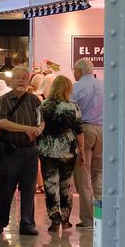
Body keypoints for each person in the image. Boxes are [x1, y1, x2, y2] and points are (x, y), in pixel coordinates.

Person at [0, 65, 43, 236]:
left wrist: (39, 129)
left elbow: (41, 120)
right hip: (10, 151)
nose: (21, 80)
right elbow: (3, 123)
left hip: (30, 152)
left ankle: (27, 224)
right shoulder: (4, 100)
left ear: (29, 80)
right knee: (5, 189)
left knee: (29, 189)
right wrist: (27, 129)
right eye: (17, 77)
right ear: (11, 81)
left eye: (24, 77)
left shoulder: (34, 100)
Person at [38, 75, 84, 232]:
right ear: (68, 89)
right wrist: (82, 152)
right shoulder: (73, 107)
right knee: (66, 185)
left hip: (47, 149)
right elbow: (79, 131)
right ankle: (65, 219)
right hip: (68, 151)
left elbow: (39, 128)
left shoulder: (43, 106)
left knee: (50, 184)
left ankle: (54, 219)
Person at [71, 58, 103, 229]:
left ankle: (88, 220)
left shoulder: (76, 87)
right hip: (103, 131)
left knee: (83, 177)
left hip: (84, 132)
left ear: (79, 70)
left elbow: (71, 112)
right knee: (99, 174)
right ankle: (101, 216)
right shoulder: (104, 85)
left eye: (74, 70)